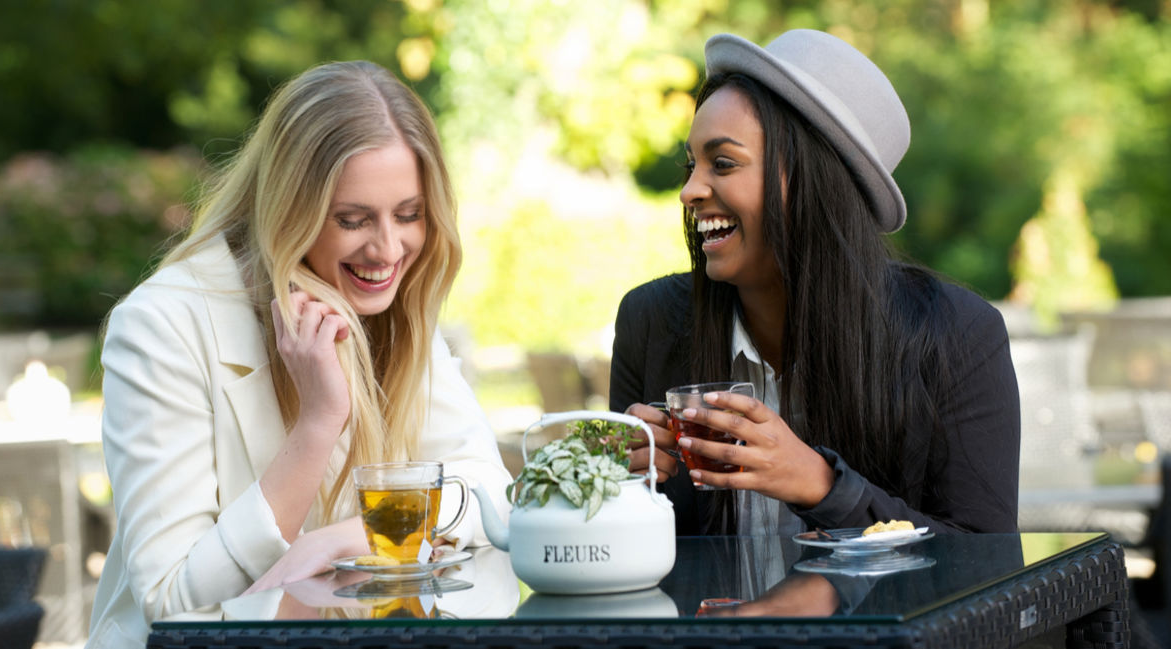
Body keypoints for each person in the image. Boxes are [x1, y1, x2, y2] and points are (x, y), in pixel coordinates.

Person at [87, 60, 512, 648]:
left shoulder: (397, 305)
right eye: (352, 219)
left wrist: (345, 539)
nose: (388, 248)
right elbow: (172, 594)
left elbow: (490, 491)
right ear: (290, 207)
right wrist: (317, 425)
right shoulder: (161, 325)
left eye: (409, 215)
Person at [610, 30, 1020, 538]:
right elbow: (615, 550)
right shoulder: (650, 323)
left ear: (813, 182)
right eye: (691, 164)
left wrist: (823, 486)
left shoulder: (957, 338)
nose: (690, 191)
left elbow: (988, 565)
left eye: (723, 163)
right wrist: (610, 482)